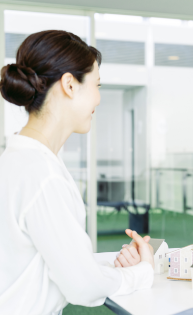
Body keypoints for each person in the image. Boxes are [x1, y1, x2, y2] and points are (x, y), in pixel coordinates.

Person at [0, 30, 154, 315]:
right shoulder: (41, 175)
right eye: (96, 85)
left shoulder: (20, 160)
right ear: (70, 85)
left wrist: (111, 267)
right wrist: (143, 271)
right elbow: (83, 286)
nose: (98, 99)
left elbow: (49, 261)